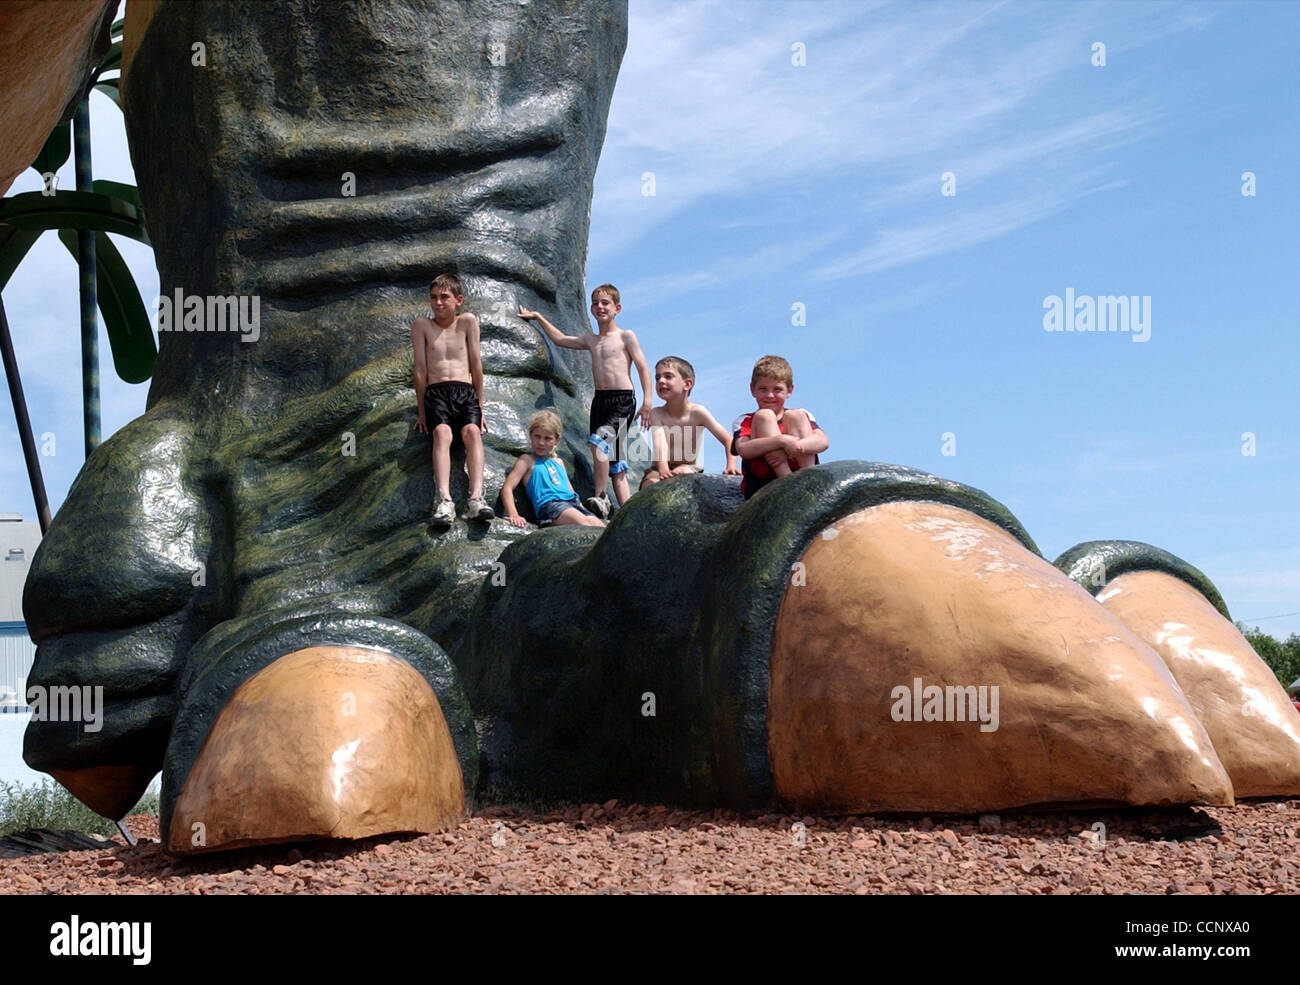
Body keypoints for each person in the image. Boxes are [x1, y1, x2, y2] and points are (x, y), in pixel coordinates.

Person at [518, 284, 652, 519]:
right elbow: (560, 339)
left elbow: (642, 367)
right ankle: (630, 513)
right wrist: (538, 317)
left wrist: (647, 401)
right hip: (600, 401)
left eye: (605, 303)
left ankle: (601, 497)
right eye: (595, 303)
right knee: (615, 462)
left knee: (598, 444)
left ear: (617, 308)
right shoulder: (591, 340)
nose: (599, 307)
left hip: (622, 400)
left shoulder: (625, 336)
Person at [412, 273, 493, 528]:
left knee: (472, 432)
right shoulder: (422, 325)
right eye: (434, 298)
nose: (438, 303)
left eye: (444, 297)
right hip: (436, 393)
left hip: (464, 390)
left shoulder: (467, 322)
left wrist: (480, 407)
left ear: (458, 300)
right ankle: (445, 500)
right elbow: (420, 370)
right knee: (442, 433)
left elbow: (477, 366)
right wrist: (422, 411)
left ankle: (476, 498)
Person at [732, 355, 829, 500]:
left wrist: (795, 446)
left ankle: (807, 478)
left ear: (789, 390)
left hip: (803, 476)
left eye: (777, 389)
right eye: (763, 389)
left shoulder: (802, 415)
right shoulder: (746, 420)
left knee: (796, 415)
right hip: (764, 485)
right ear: (752, 390)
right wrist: (781, 441)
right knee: (764, 416)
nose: (770, 395)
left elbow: (823, 442)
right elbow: (743, 449)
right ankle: (788, 481)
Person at [641, 356, 740, 489]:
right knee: (650, 484)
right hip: (658, 467)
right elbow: (660, 443)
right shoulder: (657, 413)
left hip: (689, 466)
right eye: (657, 378)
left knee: (683, 471)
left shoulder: (698, 412)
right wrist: (663, 470)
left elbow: (728, 441)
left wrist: (731, 467)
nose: (661, 381)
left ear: (687, 384)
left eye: (668, 376)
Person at [501, 410, 604, 528]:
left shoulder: (559, 462)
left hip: (573, 504)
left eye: (547, 438)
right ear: (530, 435)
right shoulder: (526, 461)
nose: (541, 442)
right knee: (585, 525)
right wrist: (513, 514)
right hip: (550, 506)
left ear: (557, 440)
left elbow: (570, 491)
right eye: (537, 436)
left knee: (602, 530)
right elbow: (507, 488)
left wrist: (582, 508)